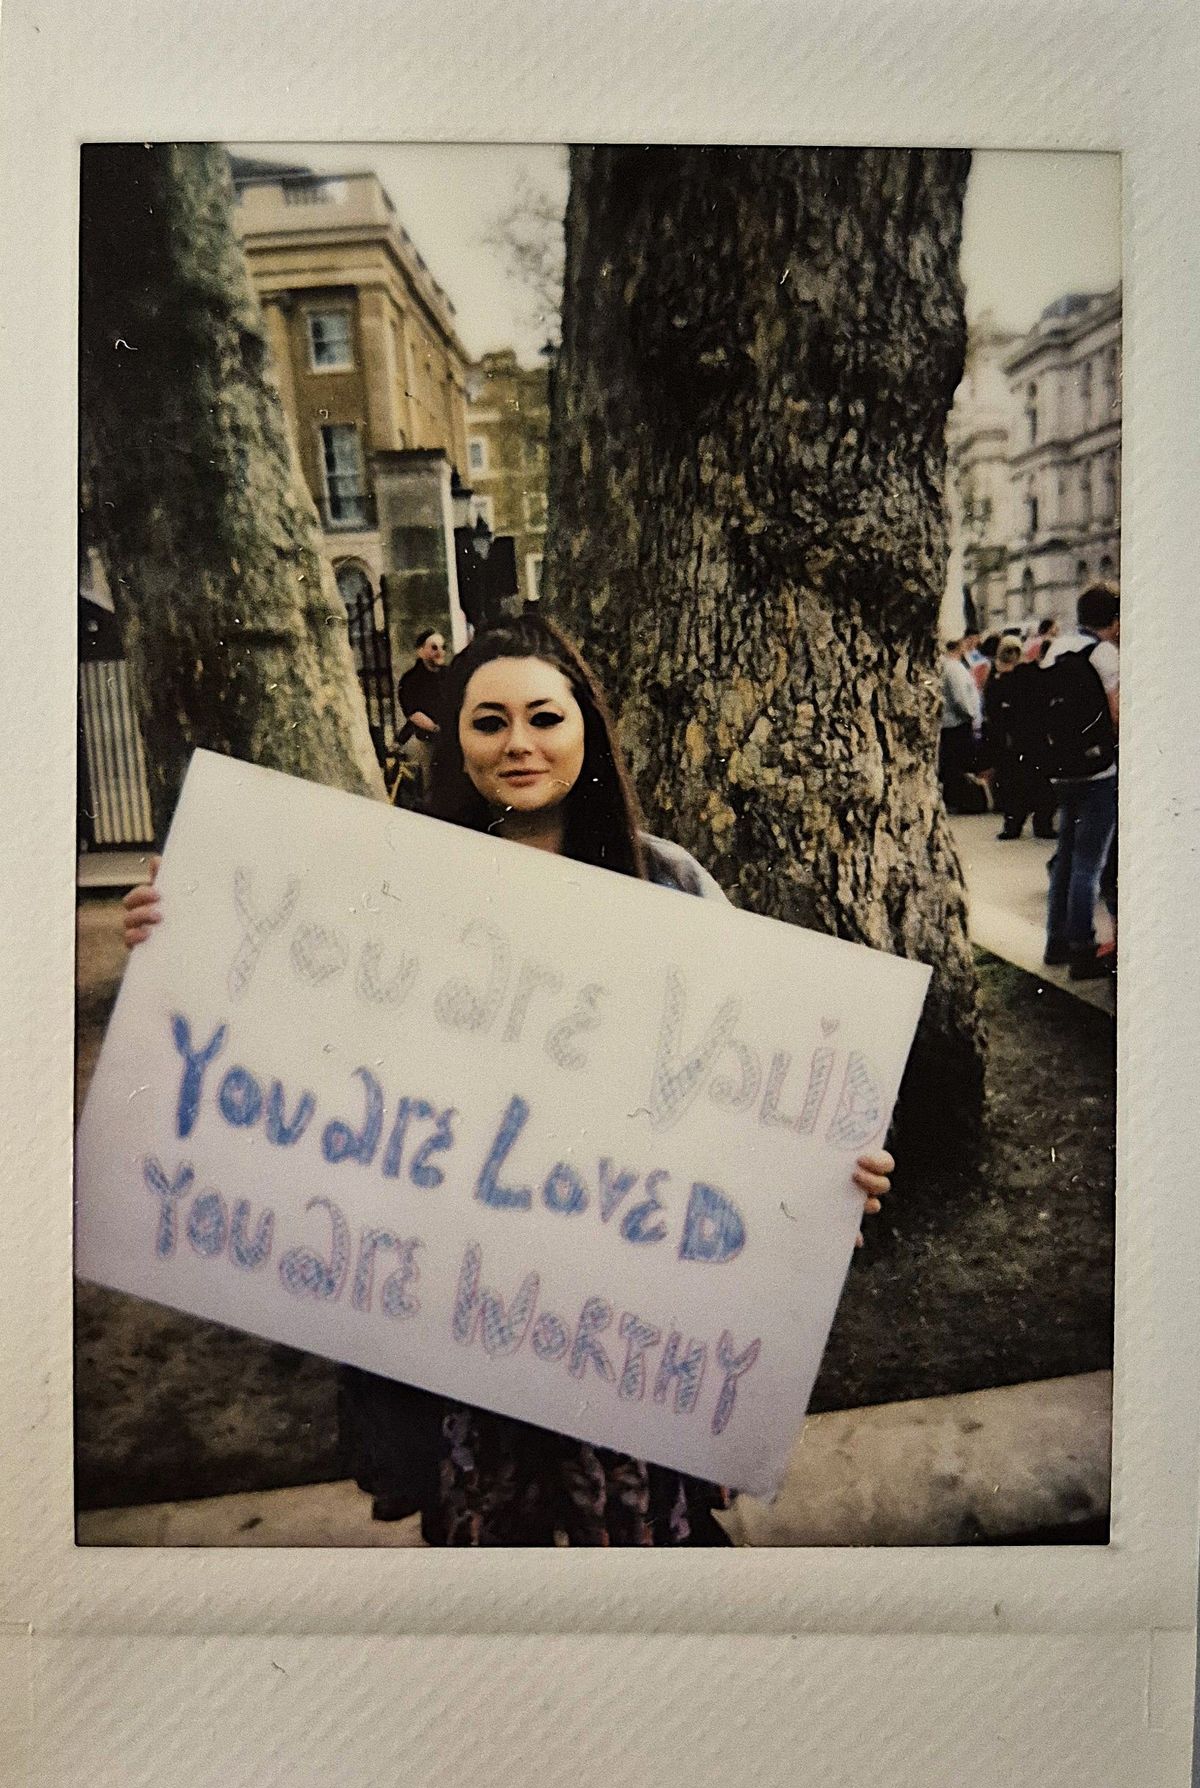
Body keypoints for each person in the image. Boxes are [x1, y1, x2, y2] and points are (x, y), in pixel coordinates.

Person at [122, 613, 895, 1547]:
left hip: (628, 1334)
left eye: (544, 716)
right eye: (489, 722)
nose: (519, 743)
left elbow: (757, 1090)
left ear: (585, 730)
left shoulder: (670, 887)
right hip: (461, 1330)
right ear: (454, 737)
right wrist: (183, 935)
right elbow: (300, 1043)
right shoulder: (387, 889)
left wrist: (826, 1176)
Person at [1039, 584, 1120, 979]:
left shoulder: (1056, 649)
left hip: (1061, 768)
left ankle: (1055, 942)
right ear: (1115, 620)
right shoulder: (1105, 653)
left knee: (1066, 858)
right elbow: (1118, 714)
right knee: (1091, 862)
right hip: (1097, 771)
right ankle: (1082, 948)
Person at [980, 635, 1056, 841]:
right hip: (1033, 738)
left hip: (1014, 741)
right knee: (1039, 783)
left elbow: (993, 711)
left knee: (1015, 786)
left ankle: (1014, 824)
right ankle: (1041, 823)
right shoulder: (1031, 674)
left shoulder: (998, 680)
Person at [938, 634, 986, 813]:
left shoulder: (945, 666)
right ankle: (963, 801)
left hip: (949, 722)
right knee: (958, 766)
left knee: (951, 765)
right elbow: (960, 698)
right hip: (958, 722)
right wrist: (972, 714)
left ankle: (955, 800)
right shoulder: (954, 668)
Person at [396, 628, 447, 796]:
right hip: (426, 740)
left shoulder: (450, 675)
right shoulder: (411, 680)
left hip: (452, 740)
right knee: (430, 787)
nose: (440, 652)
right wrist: (437, 729)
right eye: (434, 647)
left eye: (442, 647)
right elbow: (413, 712)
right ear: (421, 651)